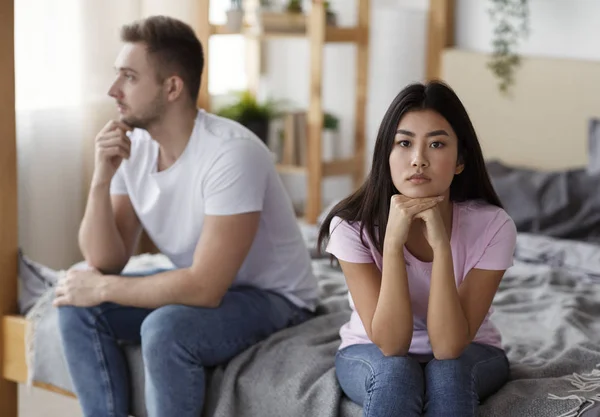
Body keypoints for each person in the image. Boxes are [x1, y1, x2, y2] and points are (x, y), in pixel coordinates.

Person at [55, 15, 317, 417]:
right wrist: (100, 179)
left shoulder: (232, 153)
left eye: (128, 77)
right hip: (208, 285)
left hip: (274, 297)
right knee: (76, 302)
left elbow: (204, 288)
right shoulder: (135, 148)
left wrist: (104, 289)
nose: (113, 90)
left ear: (172, 86)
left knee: (165, 330)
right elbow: (106, 261)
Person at [317, 81, 517, 417]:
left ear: (460, 159)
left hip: (472, 349)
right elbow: (391, 345)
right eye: (404, 143)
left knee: (448, 372)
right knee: (395, 372)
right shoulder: (351, 226)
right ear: (386, 154)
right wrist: (392, 245)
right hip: (370, 348)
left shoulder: (494, 226)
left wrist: (441, 246)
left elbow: (449, 347)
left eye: (436, 144)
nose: (418, 160)